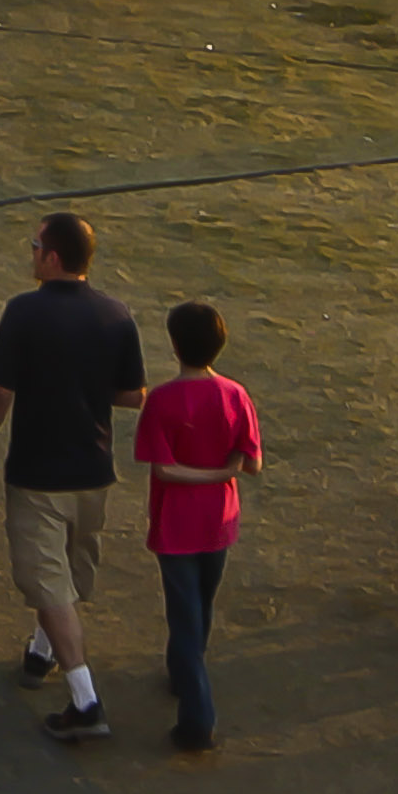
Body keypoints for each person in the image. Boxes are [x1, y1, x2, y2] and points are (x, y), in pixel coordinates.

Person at [0, 212, 146, 738]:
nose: (31, 255)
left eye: (34, 246)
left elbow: (1, 391)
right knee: (68, 574)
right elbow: (132, 395)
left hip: (39, 472)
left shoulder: (24, 312)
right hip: (94, 469)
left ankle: (85, 700)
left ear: (52, 257)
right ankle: (40, 653)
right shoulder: (116, 315)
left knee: (46, 580)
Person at [135, 301, 263, 753]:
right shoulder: (235, 395)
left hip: (176, 524)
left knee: (184, 614)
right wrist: (220, 473)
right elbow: (252, 463)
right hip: (219, 520)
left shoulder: (163, 402)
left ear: (174, 346)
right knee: (201, 606)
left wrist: (204, 475)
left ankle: (197, 716)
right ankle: (180, 673)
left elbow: (164, 470)